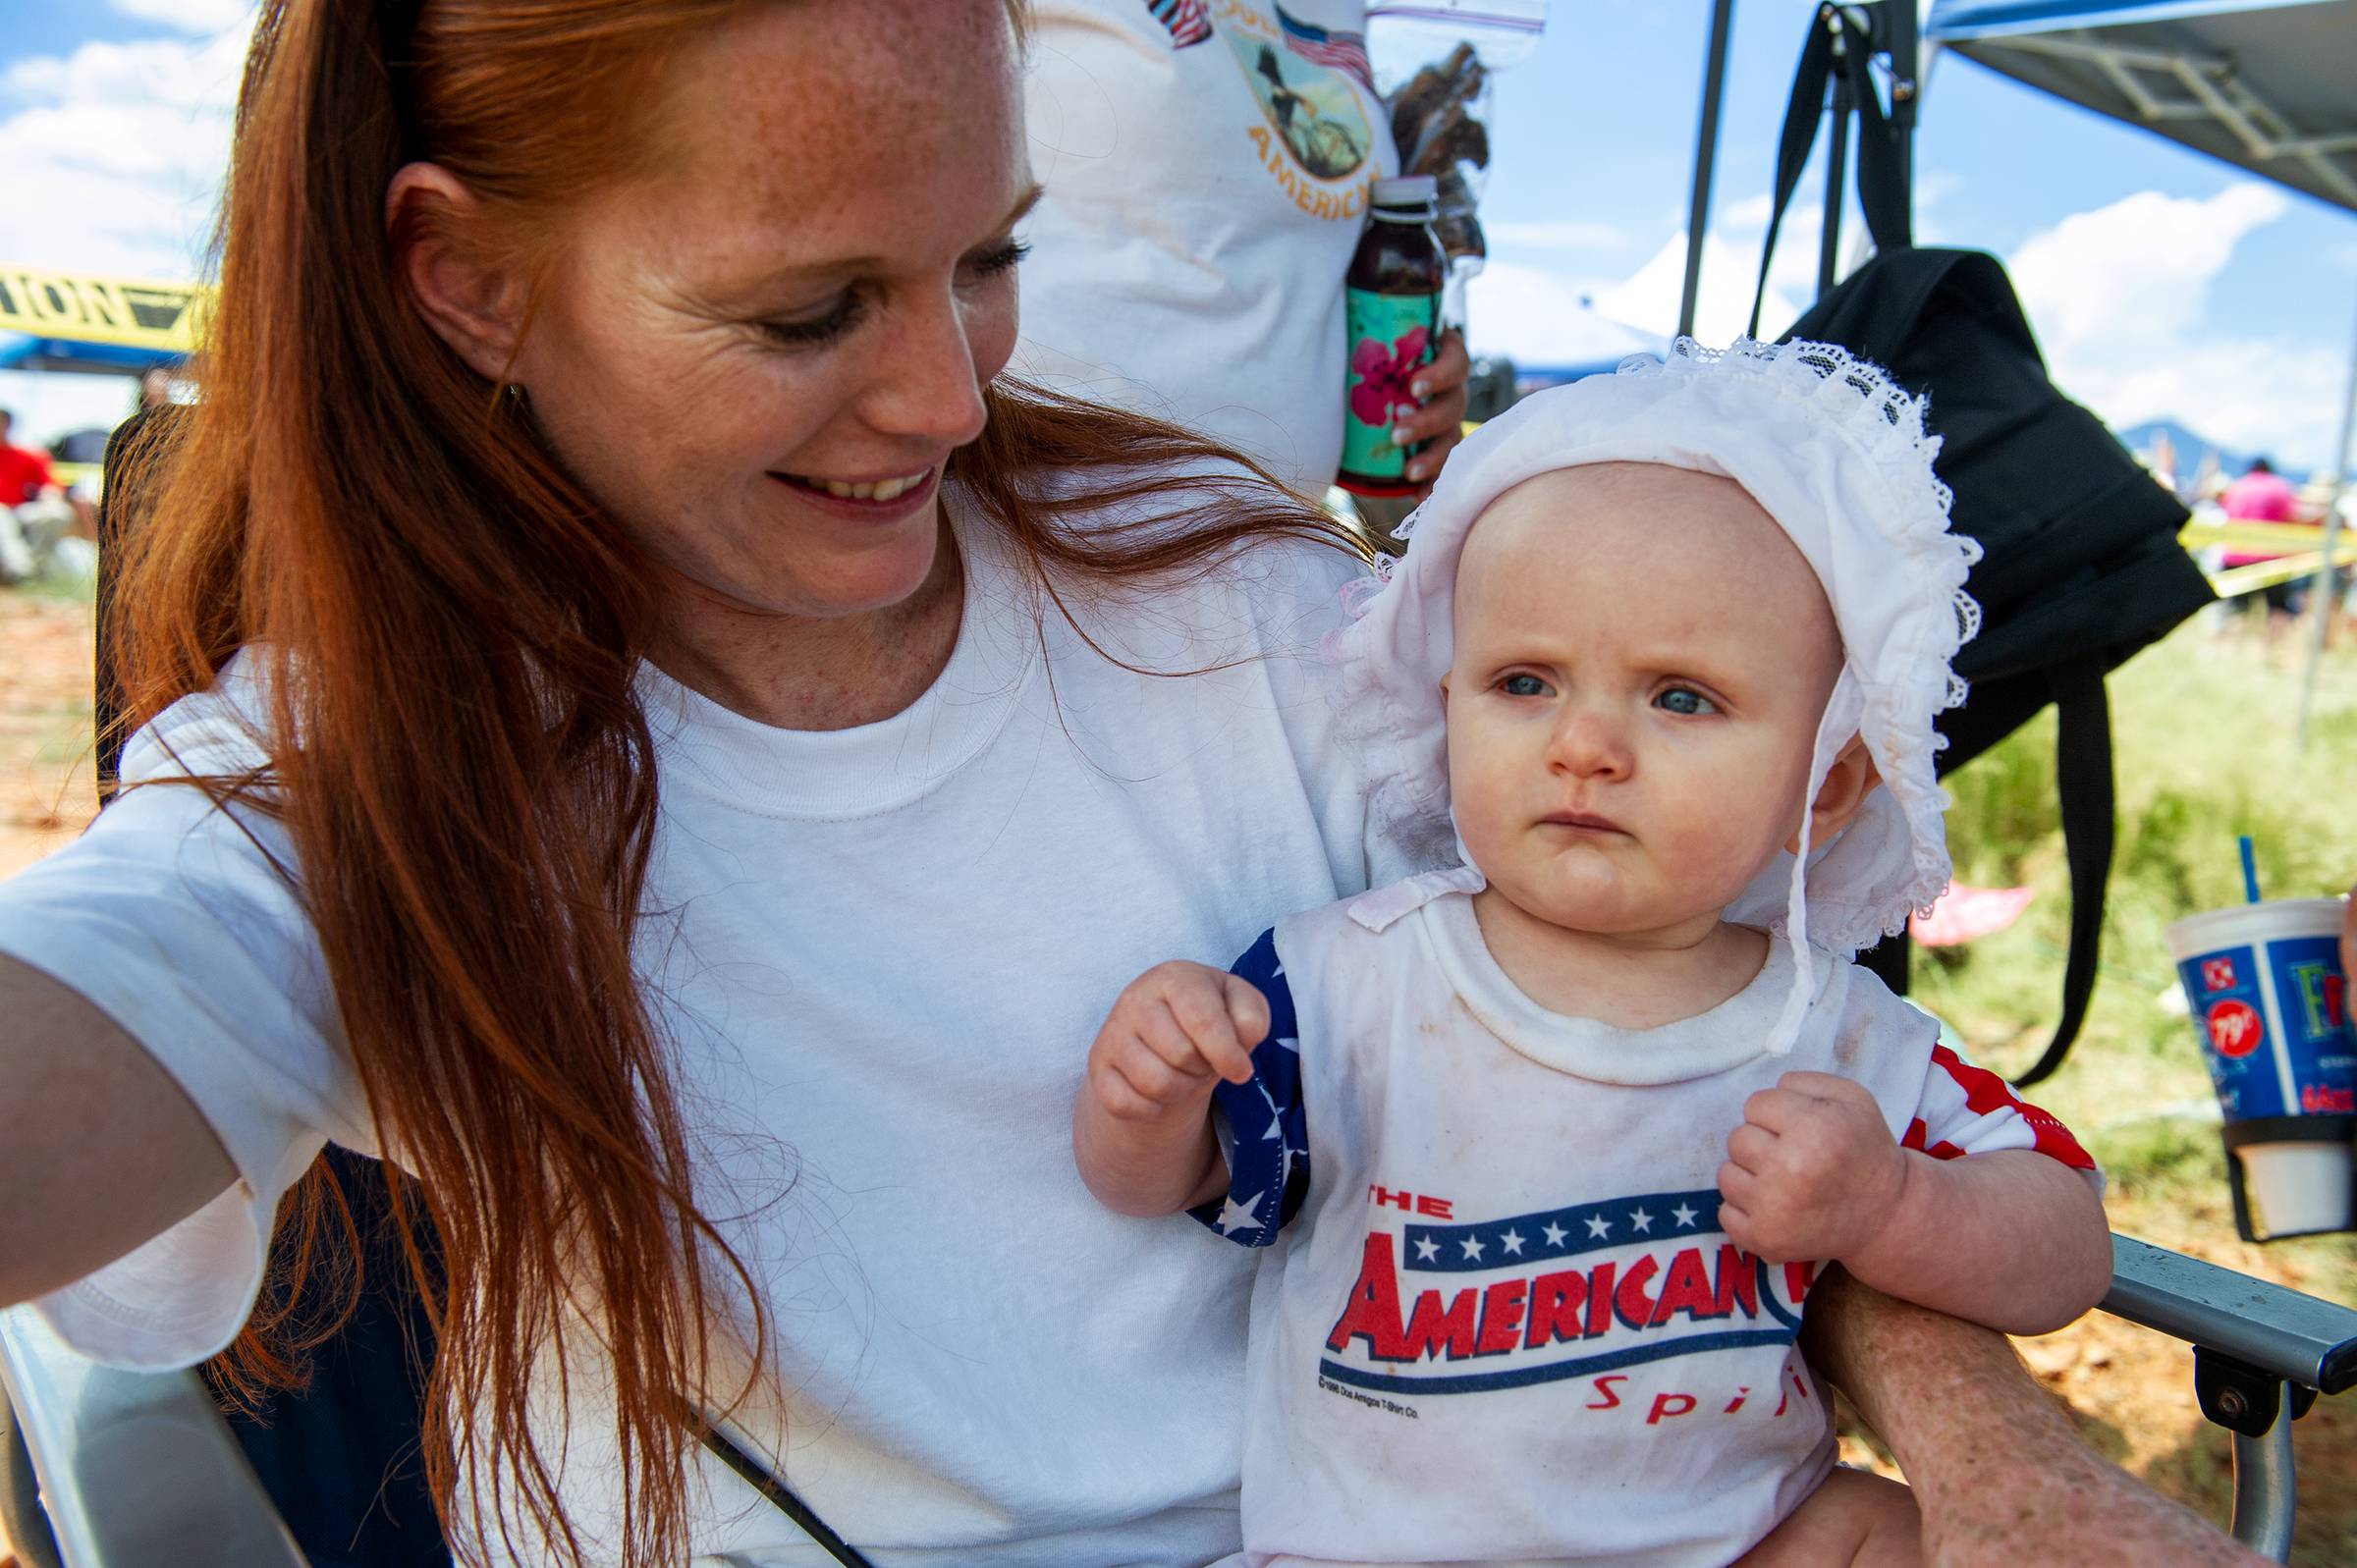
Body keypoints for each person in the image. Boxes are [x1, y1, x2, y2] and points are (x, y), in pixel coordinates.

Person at [0, 4, 2274, 1567]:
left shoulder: (1259, 614)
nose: (949, 401)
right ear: (468, 280)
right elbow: (97, 1007)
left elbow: (1708, 1049)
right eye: (809, 314)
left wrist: (1992, 1458)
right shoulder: (356, 798)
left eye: (987, 262)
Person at [1074, 342, 2114, 1566]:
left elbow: (2069, 1245)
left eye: (1679, 697)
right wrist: (1150, 1087)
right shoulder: (1345, 987)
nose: (1585, 745)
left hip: (1733, 1541)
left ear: (1824, 787)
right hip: (1380, 1553)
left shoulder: (1837, 1035)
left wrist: (1896, 1203)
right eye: (1525, 681)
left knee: (1881, 1530)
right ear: (1445, 703)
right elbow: (1167, 1183)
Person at [1016, 0, 1471, 501]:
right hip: (1048, 523)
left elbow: (1273, 257)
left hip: (1279, 542)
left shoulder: (1341, 11)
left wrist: (1404, 379)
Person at [2216, 457, 2318, 619]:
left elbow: (2227, 515)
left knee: (2239, 611)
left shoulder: (2237, 488)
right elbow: (2293, 516)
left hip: (2236, 556)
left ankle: (2235, 642)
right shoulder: (2281, 487)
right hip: (2272, 558)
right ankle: (2273, 643)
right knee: (2277, 611)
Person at [0, 409, 80, 583]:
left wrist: (50, 496)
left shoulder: (30, 455)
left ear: (8, 426)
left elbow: (51, 486)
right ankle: (19, 572)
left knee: (58, 513)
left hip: (23, 510)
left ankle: (28, 573)